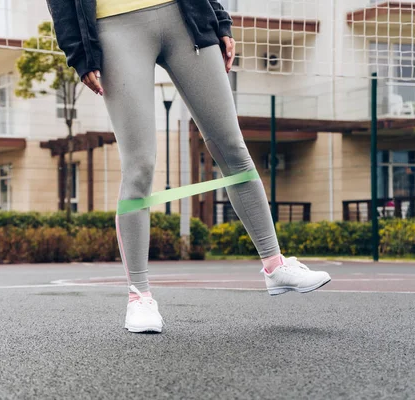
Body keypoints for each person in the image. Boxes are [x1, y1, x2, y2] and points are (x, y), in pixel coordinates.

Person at [46, 0, 332, 333]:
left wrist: (221, 19)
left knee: (232, 148)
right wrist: (78, 52)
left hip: (186, 16)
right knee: (139, 165)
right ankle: (139, 296)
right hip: (115, 26)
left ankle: (275, 265)